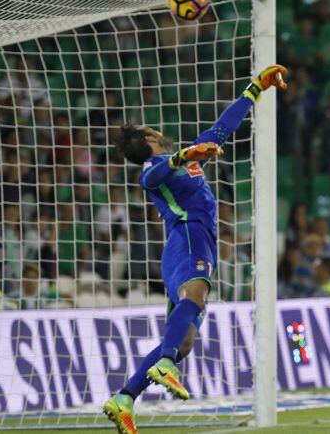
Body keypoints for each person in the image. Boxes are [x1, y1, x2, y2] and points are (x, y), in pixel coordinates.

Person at [103, 65, 288, 434]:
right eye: (154, 131)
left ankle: (124, 398)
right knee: (197, 298)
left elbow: (223, 128)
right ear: (150, 138)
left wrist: (254, 89)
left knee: (184, 340)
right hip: (188, 238)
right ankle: (166, 364)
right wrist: (182, 156)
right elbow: (150, 177)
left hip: (191, 244)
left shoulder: (187, 159)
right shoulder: (156, 166)